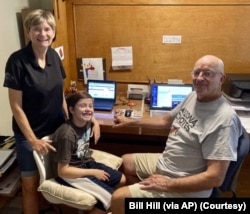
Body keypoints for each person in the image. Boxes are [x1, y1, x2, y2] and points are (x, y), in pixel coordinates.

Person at [111, 55, 243, 214]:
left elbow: (215, 177)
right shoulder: (194, 95)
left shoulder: (224, 121)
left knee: (119, 198)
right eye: (196, 72)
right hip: (169, 162)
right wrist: (131, 122)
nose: (199, 78)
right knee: (126, 162)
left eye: (207, 73)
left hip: (185, 185)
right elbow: (166, 120)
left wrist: (167, 184)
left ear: (221, 78)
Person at [3, 9, 100, 214]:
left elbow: (61, 96)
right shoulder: (17, 61)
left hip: (56, 129)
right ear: (28, 31)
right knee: (30, 185)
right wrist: (32, 140)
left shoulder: (54, 55)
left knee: (53, 177)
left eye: (47, 29)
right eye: (37, 29)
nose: (43, 34)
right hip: (30, 134)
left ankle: (48, 206)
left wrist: (88, 120)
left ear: (53, 32)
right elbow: (16, 106)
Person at [51, 91, 126, 214]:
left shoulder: (84, 120)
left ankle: (101, 202)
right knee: (115, 200)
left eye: (90, 106)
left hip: (85, 162)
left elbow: (90, 116)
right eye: (82, 106)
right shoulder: (67, 135)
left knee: (122, 179)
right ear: (71, 110)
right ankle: (106, 201)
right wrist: (93, 172)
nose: (88, 110)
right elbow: (62, 171)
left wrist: (96, 124)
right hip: (71, 174)